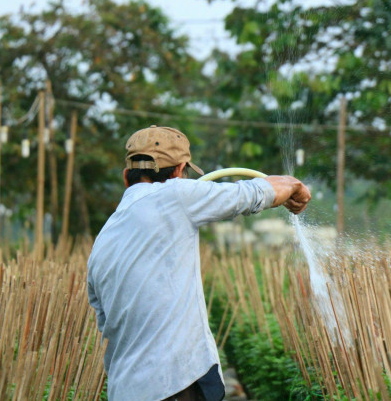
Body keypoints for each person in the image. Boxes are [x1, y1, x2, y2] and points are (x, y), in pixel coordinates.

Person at [87, 125, 311, 401]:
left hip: (125, 390)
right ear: (180, 171)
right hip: (174, 385)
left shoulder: (102, 242)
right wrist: (294, 186)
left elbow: (105, 323)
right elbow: (252, 192)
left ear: (126, 177)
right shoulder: (176, 195)